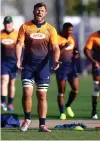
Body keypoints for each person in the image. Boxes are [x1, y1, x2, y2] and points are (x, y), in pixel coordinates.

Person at [16, 2, 60, 132]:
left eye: (42, 10)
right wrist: (18, 60)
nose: (39, 12)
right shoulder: (25, 27)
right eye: (37, 10)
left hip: (43, 67)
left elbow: (56, 47)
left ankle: (42, 125)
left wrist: (56, 60)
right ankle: (27, 118)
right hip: (28, 66)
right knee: (27, 92)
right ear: (33, 12)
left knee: (41, 95)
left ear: (45, 13)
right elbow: (19, 44)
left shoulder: (50, 29)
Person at [56, 22, 79, 120]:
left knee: (75, 90)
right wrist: (65, 47)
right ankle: (62, 112)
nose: (71, 32)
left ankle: (68, 105)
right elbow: (54, 53)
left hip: (72, 67)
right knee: (61, 91)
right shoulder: (56, 38)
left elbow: (75, 49)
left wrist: (76, 53)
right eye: (69, 30)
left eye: (72, 30)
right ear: (64, 29)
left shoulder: (72, 38)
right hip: (61, 67)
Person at [1, 16, 18, 112]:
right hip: (3, 62)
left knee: (12, 82)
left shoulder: (16, 34)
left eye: (9, 23)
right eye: (6, 23)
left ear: (12, 24)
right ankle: (3, 102)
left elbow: (21, 48)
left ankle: (10, 103)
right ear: (4, 24)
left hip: (14, 62)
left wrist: (20, 61)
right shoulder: (1, 34)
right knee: (4, 80)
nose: (8, 25)